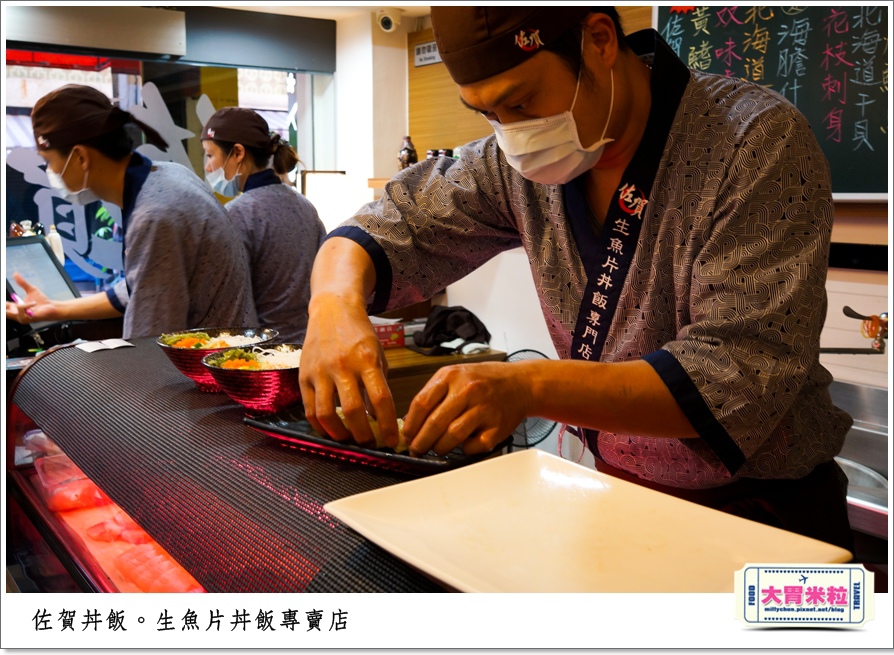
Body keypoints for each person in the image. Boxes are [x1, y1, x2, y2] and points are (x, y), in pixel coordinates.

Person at [297, 7, 854, 551]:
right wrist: (332, 305)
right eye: (487, 115)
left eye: (520, 102)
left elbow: (737, 373)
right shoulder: (509, 165)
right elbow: (392, 223)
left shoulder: (751, 140)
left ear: (599, 40)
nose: (511, 134)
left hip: (768, 519)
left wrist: (530, 387)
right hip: (619, 504)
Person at [5, 84, 258, 339]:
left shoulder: (155, 215)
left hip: (216, 369)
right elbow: (140, 288)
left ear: (80, 157)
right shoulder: (167, 175)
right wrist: (55, 309)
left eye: (49, 162)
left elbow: (149, 344)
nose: (51, 172)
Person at [200, 107, 326, 343]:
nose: (208, 167)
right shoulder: (305, 207)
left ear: (238, 152)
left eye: (210, 155)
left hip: (266, 359)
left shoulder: (237, 214)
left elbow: (234, 307)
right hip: (311, 349)